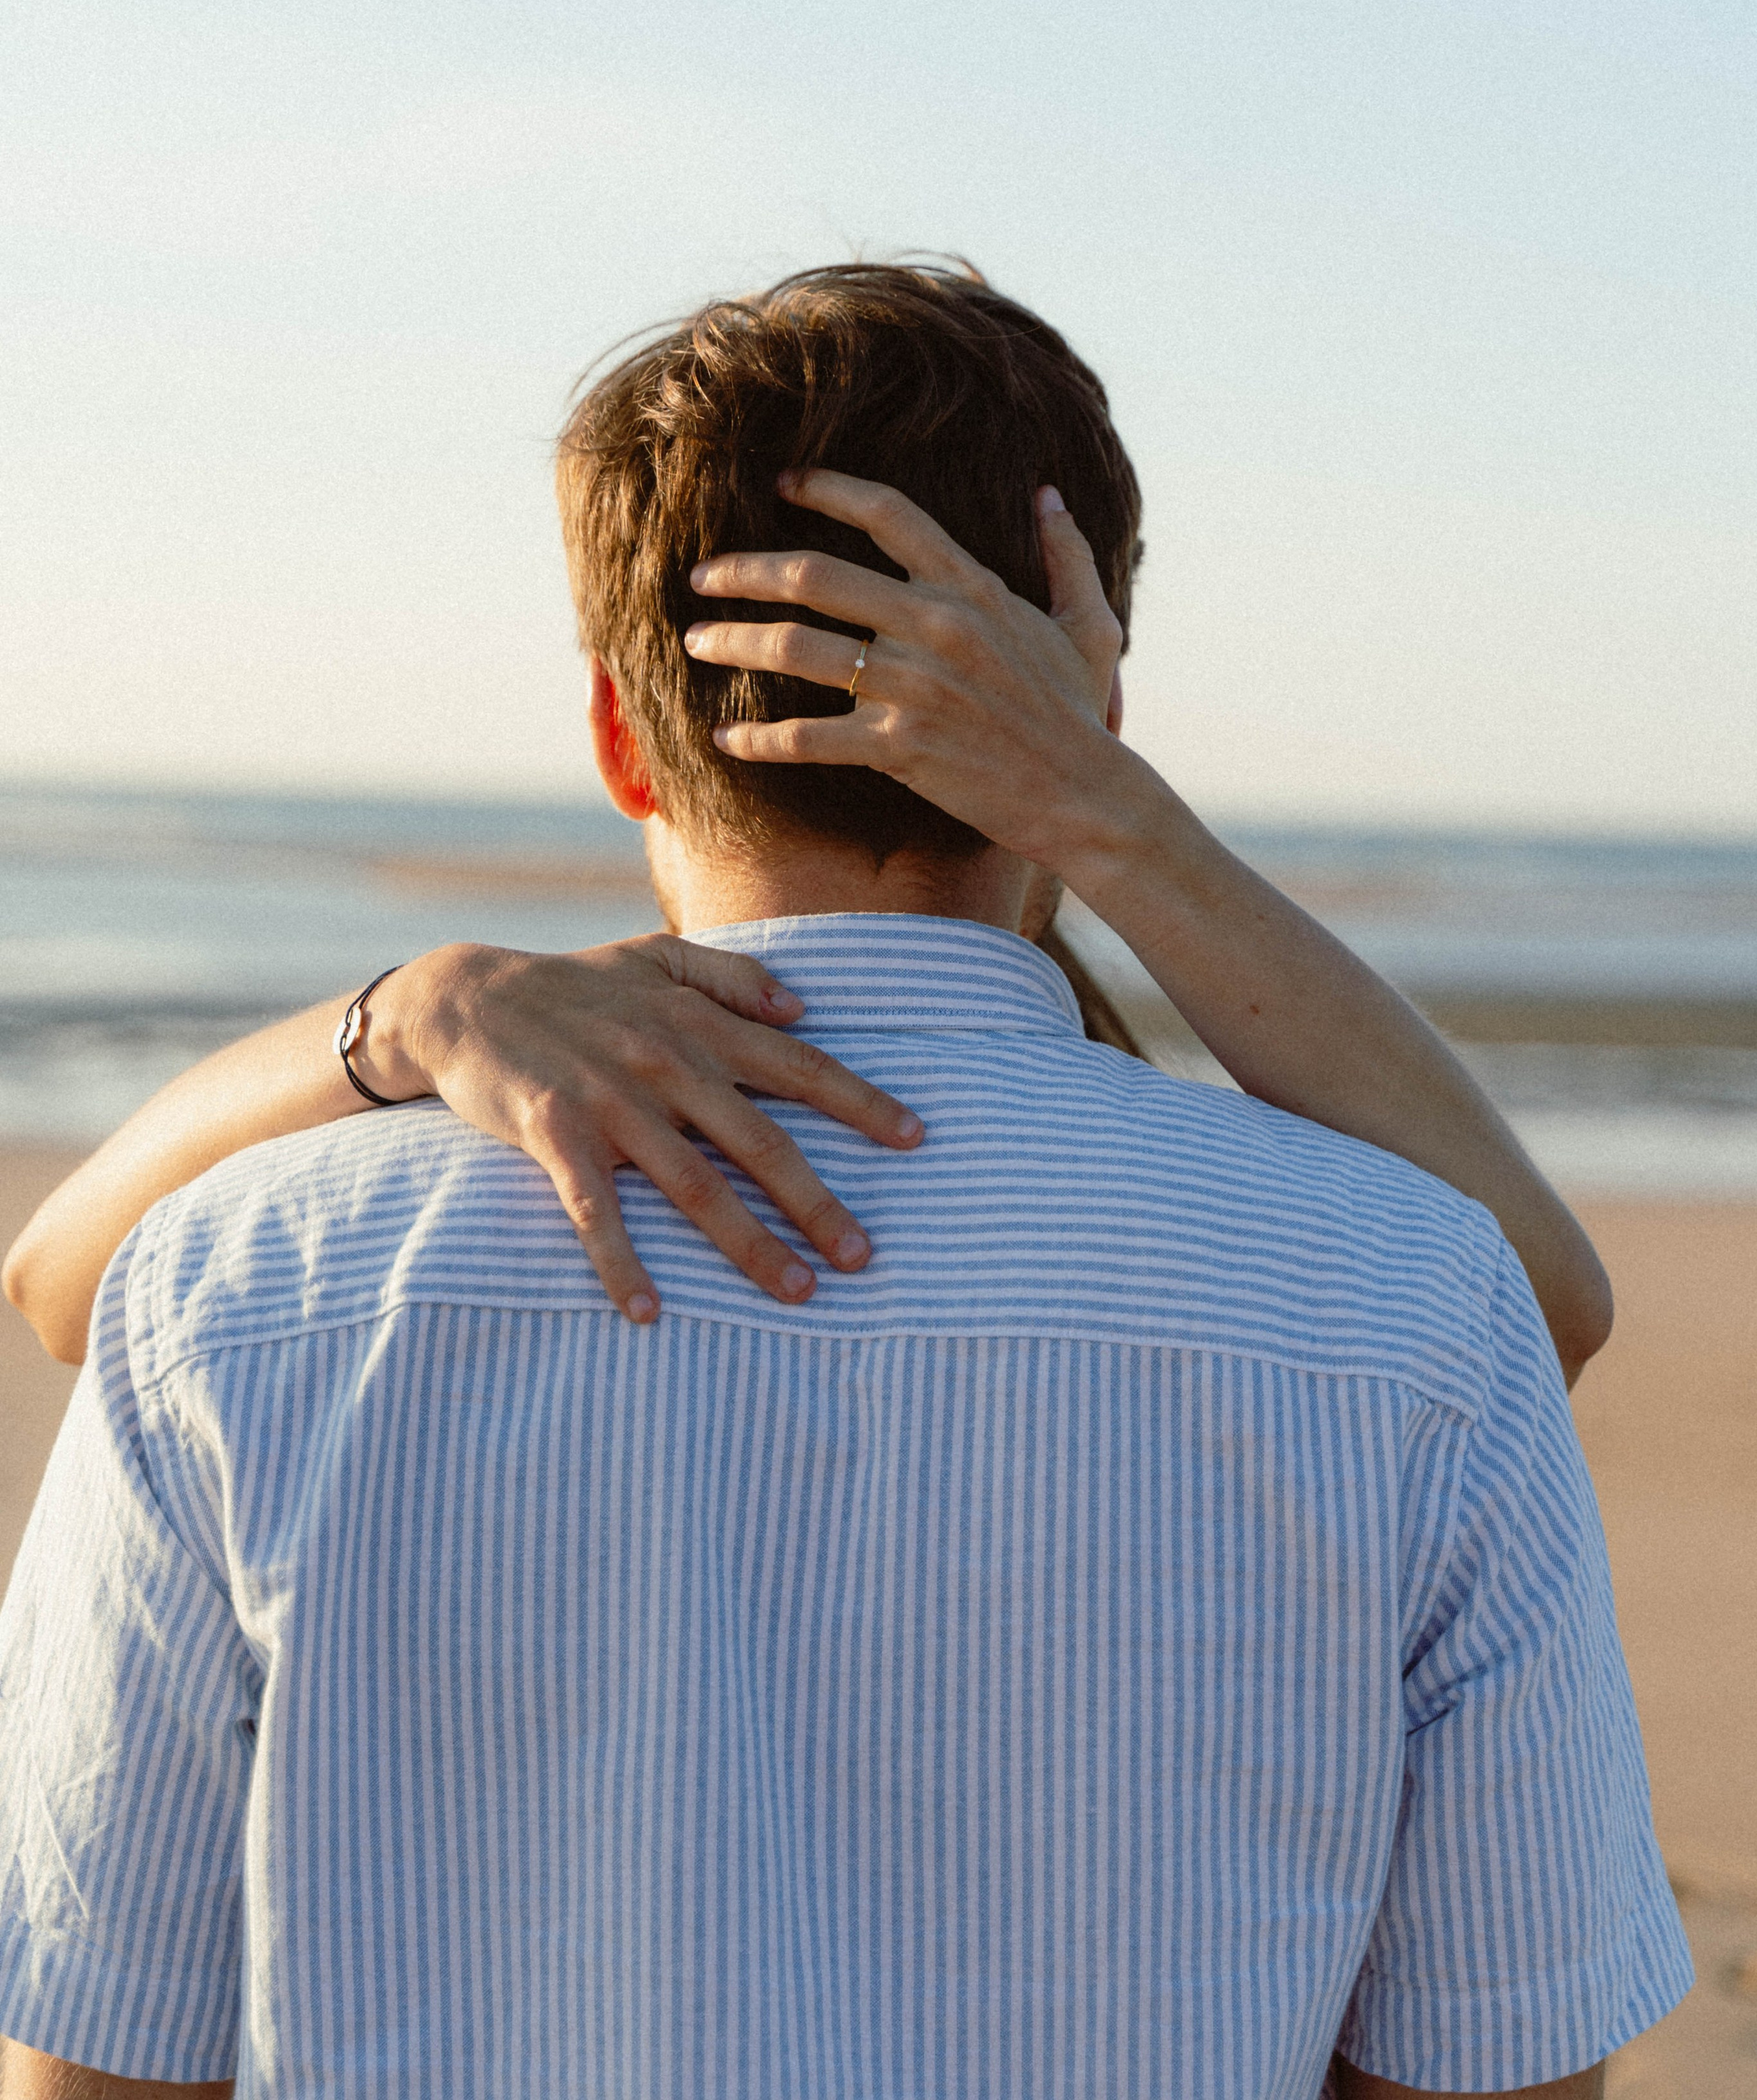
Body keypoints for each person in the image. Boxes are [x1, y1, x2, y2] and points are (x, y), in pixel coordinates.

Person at [0, 264, 1686, 2097]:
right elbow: (1503, 2068)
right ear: (1088, 689)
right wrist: (1104, 808)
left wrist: (394, 1019)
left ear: (616, 733)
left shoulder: (239, 1288)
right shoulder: (1418, 1311)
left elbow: (95, 2058)